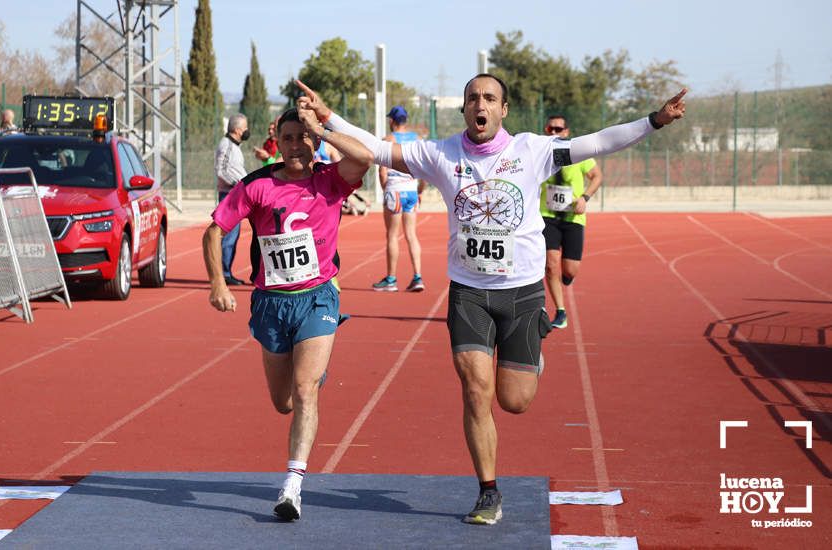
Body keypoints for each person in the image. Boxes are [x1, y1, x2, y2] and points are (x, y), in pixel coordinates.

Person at [296, 76, 686, 525]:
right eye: (472, 99)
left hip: (521, 294)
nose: (479, 105)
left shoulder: (532, 150)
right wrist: (326, 118)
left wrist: (655, 121)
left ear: (503, 109)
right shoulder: (441, 154)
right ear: (464, 109)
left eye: (489, 98)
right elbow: (377, 149)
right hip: (468, 294)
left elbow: (598, 142)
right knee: (475, 391)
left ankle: (532, 346)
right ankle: (488, 491)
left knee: (514, 401)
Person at [202, 105, 373, 521]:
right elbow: (214, 231)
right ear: (276, 141)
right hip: (271, 303)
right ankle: (311, 370)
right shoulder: (257, 185)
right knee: (283, 402)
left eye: (305, 137)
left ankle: (292, 486)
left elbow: (365, 158)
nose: (298, 145)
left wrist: (325, 129)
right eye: (290, 137)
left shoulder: (330, 181)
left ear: (314, 140)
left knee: (304, 389)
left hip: (317, 296)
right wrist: (218, 284)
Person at [539, 115, 603, 329]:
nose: (555, 132)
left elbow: (597, 176)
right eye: (551, 128)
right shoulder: (539, 154)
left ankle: (568, 277)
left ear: (567, 132)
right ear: (546, 130)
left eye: (559, 129)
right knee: (550, 264)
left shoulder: (579, 153)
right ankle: (560, 311)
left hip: (573, 216)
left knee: (570, 269)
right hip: (547, 216)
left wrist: (585, 198)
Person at [372, 106, 425, 292]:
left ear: (392, 121)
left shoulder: (388, 140)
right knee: (411, 234)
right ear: (406, 120)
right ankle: (418, 277)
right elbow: (424, 171)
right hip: (411, 190)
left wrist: (386, 188)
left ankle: (391, 279)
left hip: (394, 190)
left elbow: (382, 170)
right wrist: (420, 191)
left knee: (392, 235)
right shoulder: (418, 140)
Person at [216, 114, 251, 286]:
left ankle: (227, 271)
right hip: (230, 195)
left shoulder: (235, 147)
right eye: (245, 128)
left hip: (236, 194)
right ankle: (224, 273)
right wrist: (236, 184)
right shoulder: (226, 145)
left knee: (233, 236)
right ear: (237, 130)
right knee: (228, 236)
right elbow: (221, 170)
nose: (247, 131)